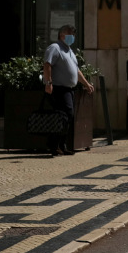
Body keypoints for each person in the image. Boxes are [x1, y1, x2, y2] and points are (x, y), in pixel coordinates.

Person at [41, 24, 94, 156]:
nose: (72, 37)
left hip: (68, 90)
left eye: (73, 35)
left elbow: (76, 71)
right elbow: (47, 65)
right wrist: (48, 83)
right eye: (69, 34)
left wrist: (86, 84)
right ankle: (54, 144)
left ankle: (61, 145)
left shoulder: (69, 51)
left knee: (66, 116)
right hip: (59, 89)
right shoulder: (55, 48)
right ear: (61, 35)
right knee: (64, 115)